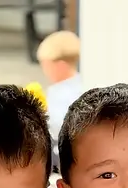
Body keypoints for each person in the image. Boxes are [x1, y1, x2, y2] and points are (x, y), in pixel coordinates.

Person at [36, 30, 83, 172]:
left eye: (45, 65)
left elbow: (56, 127)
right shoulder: (81, 83)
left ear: (60, 66)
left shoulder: (62, 93)